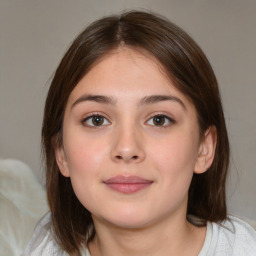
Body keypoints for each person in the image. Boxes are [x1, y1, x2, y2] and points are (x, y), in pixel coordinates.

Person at [22, 10, 256, 256]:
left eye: (159, 119)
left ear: (204, 148)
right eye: (97, 119)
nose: (126, 148)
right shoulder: (43, 249)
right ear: (61, 153)